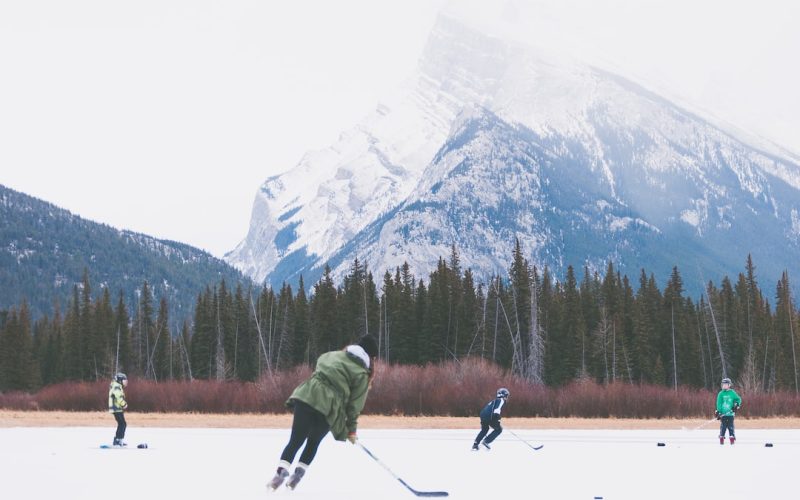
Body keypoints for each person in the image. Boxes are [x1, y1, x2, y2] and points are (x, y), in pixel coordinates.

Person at [268, 335, 379, 491]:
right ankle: (297, 476)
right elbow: (354, 406)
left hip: (308, 396)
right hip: (330, 408)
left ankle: (279, 475)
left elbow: (320, 363)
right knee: (313, 442)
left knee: (295, 440)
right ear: (370, 357)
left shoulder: (332, 355)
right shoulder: (362, 374)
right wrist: (351, 430)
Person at [715, 377, 742, 445]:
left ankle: (732, 438)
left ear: (729, 385)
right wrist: (718, 412)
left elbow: (738, 399)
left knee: (731, 426)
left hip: (730, 414)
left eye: (725, 384)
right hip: (723, 414)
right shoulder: (721, 394)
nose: (723, 385)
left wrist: (736, 405)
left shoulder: (732, 393)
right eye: (723, 384)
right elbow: (719, 403)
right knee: (723, 426)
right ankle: (721, 438)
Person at [108, 372, 128, 446]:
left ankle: (118, 439)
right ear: (120, 380)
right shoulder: (116, 386)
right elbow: (118, 397)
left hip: (117, 408)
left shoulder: (117, 386)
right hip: (116, 408)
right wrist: (124, 404)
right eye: (124, 381)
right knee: (123, 424)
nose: (125, 383)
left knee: (121, 424)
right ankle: (118, 440)